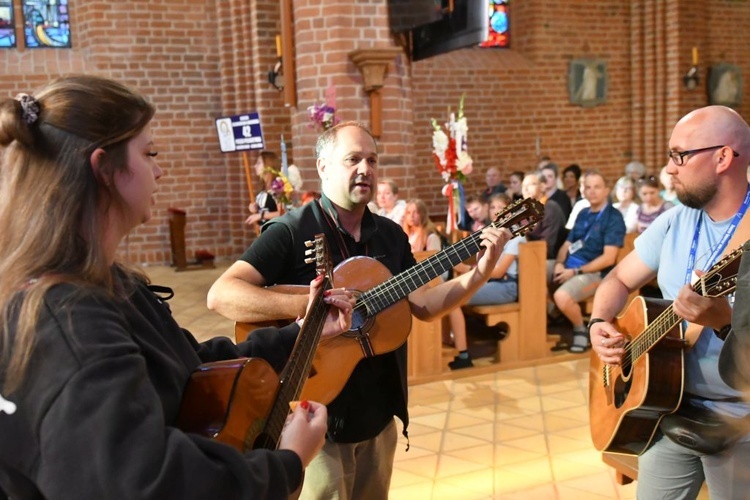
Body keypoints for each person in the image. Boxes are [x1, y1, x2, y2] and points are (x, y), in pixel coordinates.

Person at [0, 75, 356, 499]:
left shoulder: (109, 283)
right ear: (103, 169)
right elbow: (150, 482)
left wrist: (304, 333)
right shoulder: (68, 319)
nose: (159, 169)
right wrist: (287, 463)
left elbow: (192, 372)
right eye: (148, 153)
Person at [206, 121, 508, 499]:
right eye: (352, 159)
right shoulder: (291, 230)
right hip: (317, 415)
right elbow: (221, 294)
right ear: (323, 167)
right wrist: (309, 306)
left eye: (372, 159)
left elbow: (425, 305)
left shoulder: (390, 235)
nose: (365, 168)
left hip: (379, 414)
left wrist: (480, 272)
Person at [590, 105, 750, 498]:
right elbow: (616, 279)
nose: (670, 169)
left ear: (723, 157)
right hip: (665, 405)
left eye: (680, 155)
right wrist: (598, 323)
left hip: (741, 420)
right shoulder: (675, 221)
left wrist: (725, 319)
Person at [550, 170, 625, 353]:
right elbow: (567, 243)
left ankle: (581, 330)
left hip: (597, 273)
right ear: (582, 190)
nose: (592, 191)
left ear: (607, 190)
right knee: (534, 271)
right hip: (570, 265)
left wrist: (575, 272)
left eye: (597, 187)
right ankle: (543, 321)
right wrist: (560, 263)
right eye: (588, 187)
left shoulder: (613, 217)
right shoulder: (583, 213)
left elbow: (609, 258)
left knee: (562, 296)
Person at [401, 199, 472, 369]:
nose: (412, 216)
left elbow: (432, 261)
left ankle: (463, 352)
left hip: (435, 278)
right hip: (416, 280)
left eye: (416, 212)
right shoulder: (406, 234)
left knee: (452, 303)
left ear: (423, 215)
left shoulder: (431, 235)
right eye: (409, 212)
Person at [523, 171, 567, 259]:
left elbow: (547, 247)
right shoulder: (526, 210)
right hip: (528, 254)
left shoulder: (550, 208)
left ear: (542, 187)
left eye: (531, 184)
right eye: (523, 186)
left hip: (549, 260)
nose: (526, 189)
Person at [245, 150, 282, 226]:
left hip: (274, 230)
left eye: (259, 163)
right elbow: (264, 208)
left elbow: (282, 213)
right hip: (263, 230)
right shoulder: (263, 186)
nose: (255, 166)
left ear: (268, 165)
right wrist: (253, 208)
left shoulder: (277, 186)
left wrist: (260, 216)